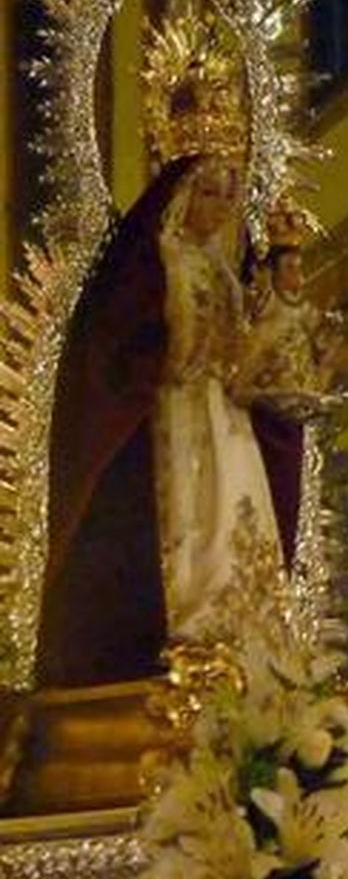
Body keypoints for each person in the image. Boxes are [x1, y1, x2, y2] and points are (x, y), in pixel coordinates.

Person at [34, 152, 311, 685]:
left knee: (234, 522)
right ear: (181, 199)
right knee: (189, 517)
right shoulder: (159, 261)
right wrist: (177, 352)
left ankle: (242, 641)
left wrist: (279, 296)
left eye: (228, 196)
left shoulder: (227, 272)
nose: (219, 208)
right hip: (175, 414)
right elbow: (121, 344)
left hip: (227, 420)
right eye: (207, 193)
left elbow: (253, 352)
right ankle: (187, 635)